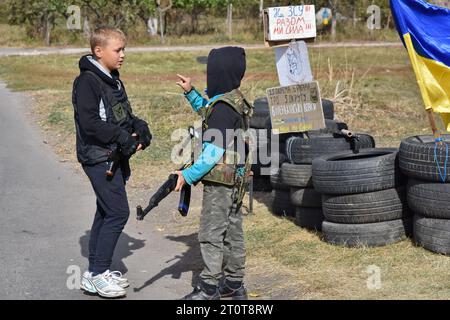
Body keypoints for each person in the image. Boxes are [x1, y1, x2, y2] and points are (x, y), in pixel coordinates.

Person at [71, 26, 152, 298]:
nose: (123, 55)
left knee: (105, 212)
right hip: (98, 158)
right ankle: (98, 274)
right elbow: (90, 124)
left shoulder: (113, 79)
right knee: (118, 213)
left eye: (123, 49)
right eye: (118, 50)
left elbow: (123, 114)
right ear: (98, 50)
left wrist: (140, 128)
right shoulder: (86, 83)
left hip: (113, 156)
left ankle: (94, 273)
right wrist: (121, 137)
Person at [175, 47, 253, 300]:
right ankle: (233, 283)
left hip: (220, 182)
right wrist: (191, 94)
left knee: (211, 233)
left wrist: (187, 175)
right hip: (237, 179)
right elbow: (208, 112)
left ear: (219, 73)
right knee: (232, 231)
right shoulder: (232, 100)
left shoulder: (222, 108)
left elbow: (211, 154)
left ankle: (208, 287)